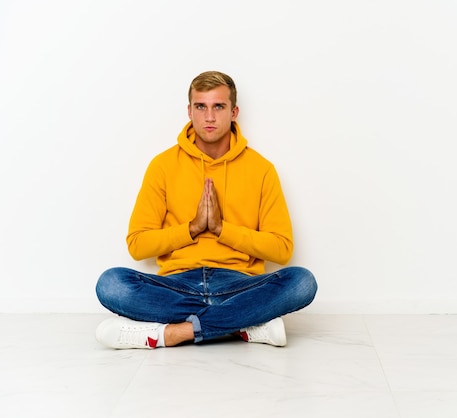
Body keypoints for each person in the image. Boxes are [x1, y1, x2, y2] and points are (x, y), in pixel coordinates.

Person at [95, 71, 317, 349]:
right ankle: (242, 324)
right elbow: (137, 245)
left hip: (237, 286)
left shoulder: (261, 170)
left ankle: (174, 334)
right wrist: (193, 228)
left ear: (234, 111)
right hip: (177, 286)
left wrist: (222, 229)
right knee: (111, 283)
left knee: (302, 282)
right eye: (201, 107)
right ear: (189, 111)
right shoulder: (163, 166)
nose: (209, 117)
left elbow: (282, 249)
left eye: (218, 107)